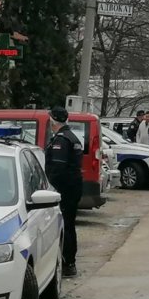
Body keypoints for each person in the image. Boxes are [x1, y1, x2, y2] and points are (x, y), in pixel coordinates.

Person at [45, 106, 83, 277]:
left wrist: (48, 187)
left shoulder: (61, 140)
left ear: (53, 120)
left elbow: (57, 169)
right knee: (69, 225)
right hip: (73, 187)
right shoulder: (72, 137)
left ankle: (68, 263)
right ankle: (69, 261)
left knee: (66, 225)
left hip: (65, 189)